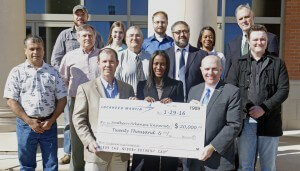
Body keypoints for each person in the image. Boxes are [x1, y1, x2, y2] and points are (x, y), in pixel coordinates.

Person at [226, 24, 289, 171]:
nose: (259, 42)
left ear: (267, 41)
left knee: (268, 166)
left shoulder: (278, 64)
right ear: (249, 41)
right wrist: (248, 107)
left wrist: (264, 108)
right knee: (245, 166)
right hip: (246, 121)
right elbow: (231, 89)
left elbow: (283, 90)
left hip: (270, 121)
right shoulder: (238, 63)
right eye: (255, 39)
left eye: (262, 39)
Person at [3, 35, 67, 170]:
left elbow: (62, 98)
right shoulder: (17, 72)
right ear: (25, 50)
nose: (35, 52)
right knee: (26, 165)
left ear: (44, 50)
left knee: (51, 165)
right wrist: (29, 121)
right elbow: (10, 100)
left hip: (48, 125)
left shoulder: (53, 72)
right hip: (26, 126)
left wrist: (51, 120)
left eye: (39, 49)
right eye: (32, 49)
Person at [50, 4, 104, 165]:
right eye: (77, 14)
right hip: (74, 96)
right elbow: (58, 65)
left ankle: (95, 159)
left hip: (97, 98)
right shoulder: (65, 37)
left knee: (95, 129)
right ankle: (71, 154)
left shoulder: (99, 49)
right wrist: (66, 90)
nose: (87, 38)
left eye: (83, 14)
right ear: (78, 38)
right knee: (71, 126)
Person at [72, 48, 135, 171]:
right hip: (96, 152)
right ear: (98, 63)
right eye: (104, 61)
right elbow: (78, 119)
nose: (108, 65)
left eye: (111, 61)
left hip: (120, 153)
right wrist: (89, 141)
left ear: (117, 63)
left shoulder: (127, 89)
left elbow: (131, 120)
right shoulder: (85, 88)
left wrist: (136, 108)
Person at [131, 50, 184, 171]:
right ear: (151, 65)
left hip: (169, 138)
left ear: (167, 65)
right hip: (147, 139)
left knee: (169, 166)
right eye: (156, 63)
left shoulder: (177, 85)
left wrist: (173, 105)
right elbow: (137, 115)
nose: (159, 67)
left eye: (162, 64)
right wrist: (142, 103)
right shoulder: (142, 85)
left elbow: (182, 113)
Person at [187, 55, 241, 170]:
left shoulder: (231, 92)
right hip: (194, 160)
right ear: (201, 70)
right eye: (206, 69)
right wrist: (189, 111)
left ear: (221, 70)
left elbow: (234, 125)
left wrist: (212, 147)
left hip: (218, 160)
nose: (210, 72)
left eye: (214, 69)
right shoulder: (193, 90)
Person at [59, 24, 101, 170]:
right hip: (76, 102)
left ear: (95, 38)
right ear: (78, 38)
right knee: (76, 140)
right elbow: (62, 80)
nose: (87, 38)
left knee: (95, 137)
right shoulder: (69, 57)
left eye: (90, 35)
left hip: (98, 102)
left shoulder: (102, 55)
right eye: (84, 35)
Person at [224, 3, 279, 77]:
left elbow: (273, 68)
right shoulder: (232, 45)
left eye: (246, 17)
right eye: (240, 18)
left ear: (253, 17)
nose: (244, 21)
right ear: (237, 22)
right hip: (238, 87)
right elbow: (228, 71)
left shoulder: (270, 39)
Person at [165, 21, 207, 101]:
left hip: (194, 101)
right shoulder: (165, 54)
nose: (182, 35)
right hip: (169, 102)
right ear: (172, 35)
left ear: (189, 34)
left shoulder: (201, 55)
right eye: (178, 32)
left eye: (185, 31)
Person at [116, 26, 151, 95]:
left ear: (143, 39)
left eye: (138, 36)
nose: (134, 38)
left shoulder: (150, 57)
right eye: (131, 36)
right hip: (127, 100)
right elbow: (115, 81)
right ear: (126, 39)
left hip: (148, 100)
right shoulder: (119, 57)